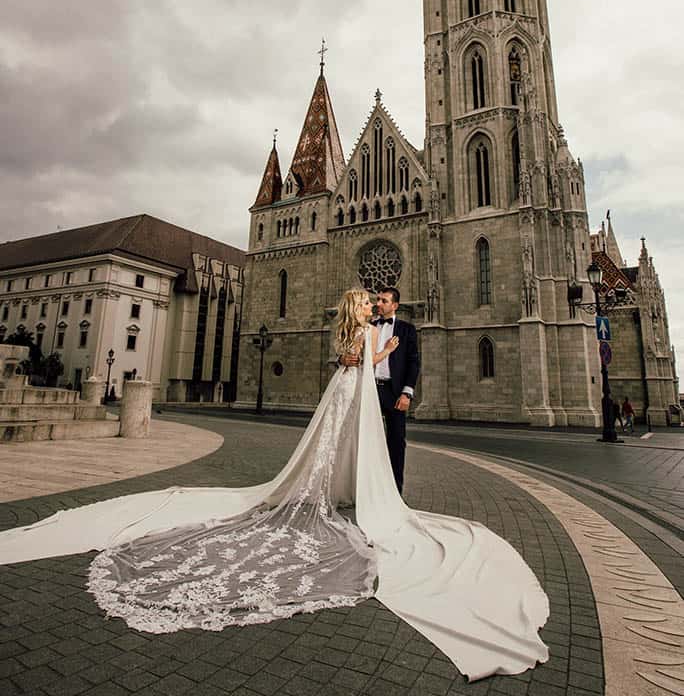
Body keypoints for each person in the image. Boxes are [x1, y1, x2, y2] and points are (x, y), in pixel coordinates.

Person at [0, 287, 549, 682]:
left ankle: (370, 491)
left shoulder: (390, 329)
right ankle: (359, 494)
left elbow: (380, 358)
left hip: (370, 391)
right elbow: (355, 357)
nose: (373, 305)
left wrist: (396, 378)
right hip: (356, 389)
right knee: (347, 445)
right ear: (362, 307)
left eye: (377, 301)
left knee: (372, 448)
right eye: (368, 301)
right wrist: (371, 353)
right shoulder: (362, 330)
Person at [340, 286, 419, 494]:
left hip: (394, 392)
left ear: (395, 305)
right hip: (369, 388)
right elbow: (351, 351)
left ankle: (394, 492)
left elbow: (413, 363)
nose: (378, 304)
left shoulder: (407, 329)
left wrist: (407, 393)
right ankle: (366, 489)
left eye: (384, 301)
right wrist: (342, 359)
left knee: (396, 442)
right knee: (365, 439)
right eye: (378, 300)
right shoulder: (367, 327)